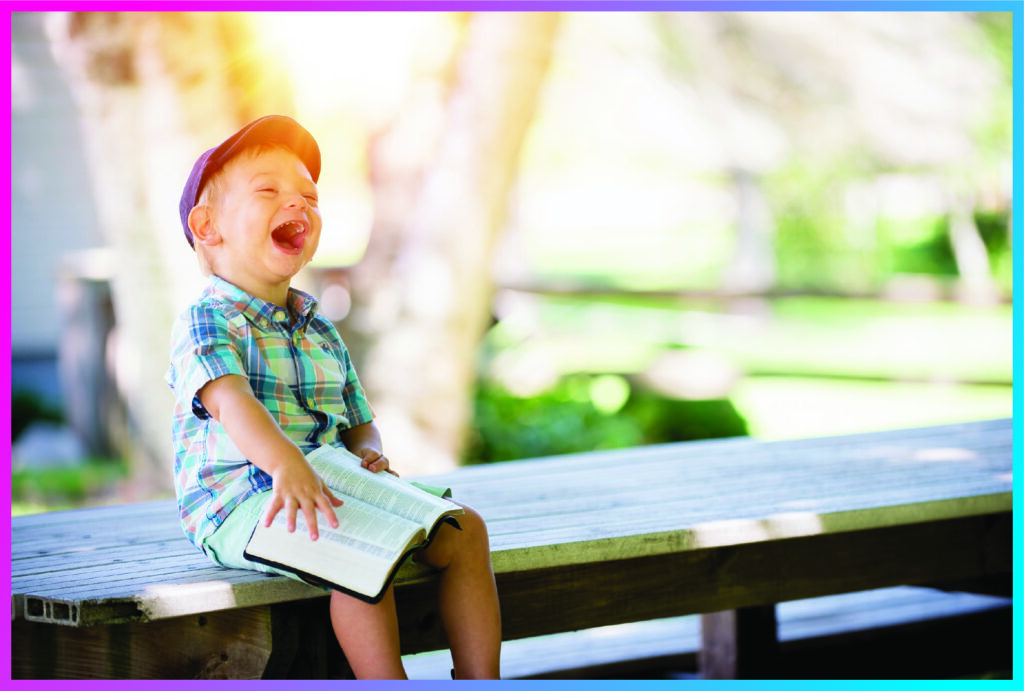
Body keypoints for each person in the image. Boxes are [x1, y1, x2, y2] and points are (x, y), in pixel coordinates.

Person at [166, 115, 501, 679]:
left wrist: (368, 449)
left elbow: (356, 418)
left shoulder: (317, 325)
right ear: (208, 226)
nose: (297, 204)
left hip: (330, 479)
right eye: (268, 190)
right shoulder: (207, 320)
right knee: (359, 553)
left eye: (309, 196)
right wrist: (286, 464)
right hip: (242, 500)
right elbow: (232, 402)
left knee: (465, 530)